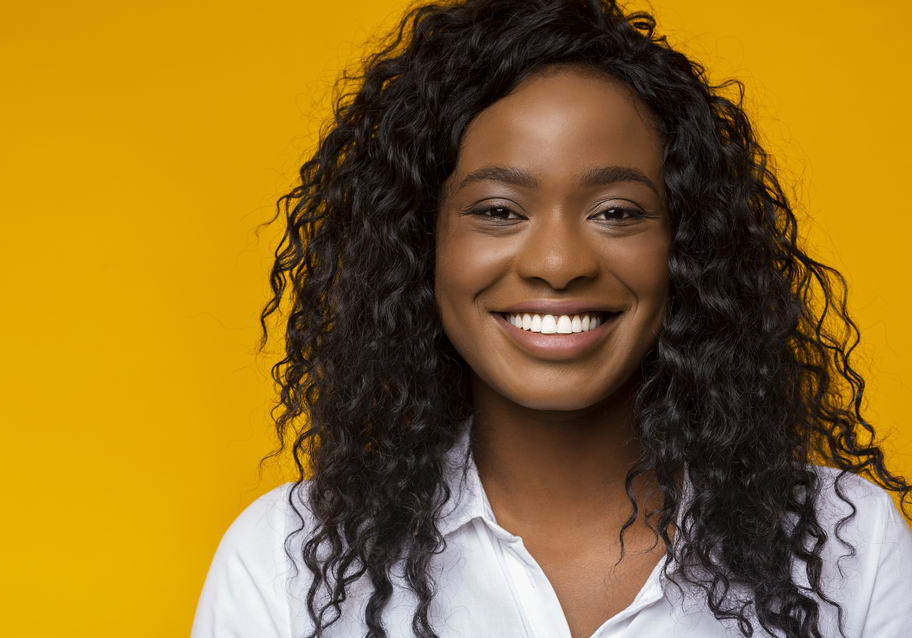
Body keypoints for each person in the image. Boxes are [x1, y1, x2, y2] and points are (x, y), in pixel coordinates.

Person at [191, 1, 912, 636]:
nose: (560, 262)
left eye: (617, 212)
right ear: (422, 246)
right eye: (499, 211)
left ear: (687, 248)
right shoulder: (285, 559)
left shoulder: (851, 545)